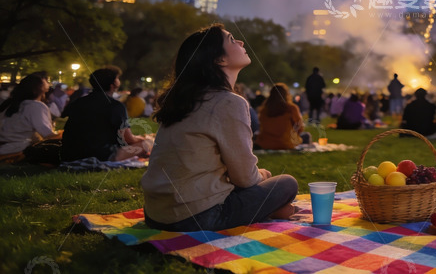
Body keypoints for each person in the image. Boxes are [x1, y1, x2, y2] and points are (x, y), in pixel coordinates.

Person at [142, 24, 297, 231]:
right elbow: (245, 179)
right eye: (232, 39)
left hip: (156, 215)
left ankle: (270, 210)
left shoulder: (185, 100)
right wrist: (263, 176)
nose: (241, 42)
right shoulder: (228, 102)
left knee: (264, 186)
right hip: (198, 216)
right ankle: (271, 209)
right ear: (219, 59)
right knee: (287, 183)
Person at [61, 67, 152, 162]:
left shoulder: (78, 102)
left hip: (70, 154)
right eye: (117, 78)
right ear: (114, 84)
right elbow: (128, 139)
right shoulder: (115, 106)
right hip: (101, 154)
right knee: (147, 144)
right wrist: (143, 139)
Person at [0, 74, 61, 159]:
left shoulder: (10, 103)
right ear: (39, 87)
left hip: (6, 145)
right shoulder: (34, 105)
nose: (48, 82)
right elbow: (48, 136)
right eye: (45, 80)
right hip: (14, 147)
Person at [255, 83, 310, 150]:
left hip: (266, 143)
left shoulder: (264, 110)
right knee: (306, 136)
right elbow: (300, 128)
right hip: (286, 143)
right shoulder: (291, 108)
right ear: (286, 94)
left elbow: (261, 127)